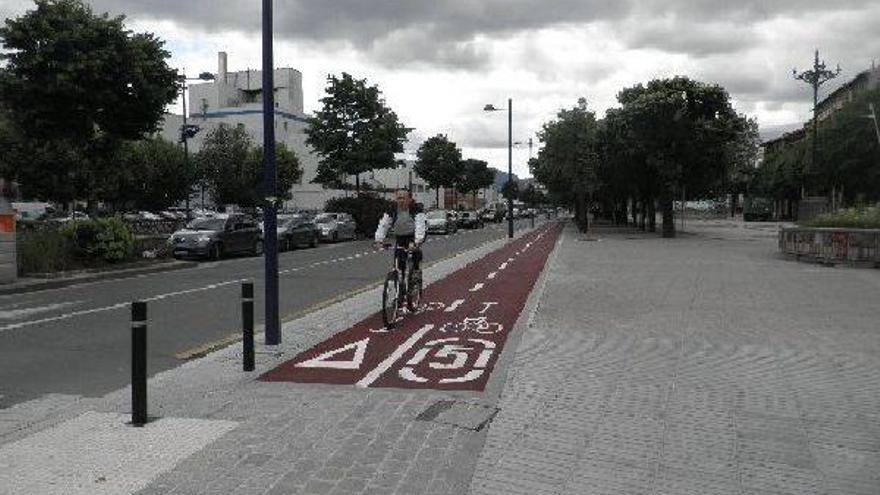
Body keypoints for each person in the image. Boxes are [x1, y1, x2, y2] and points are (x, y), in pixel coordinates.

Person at [375, 190, 427, 282]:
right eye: (399, 198)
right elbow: (384, 224)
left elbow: (420, 226)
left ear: (410, 199)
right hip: (400, 237)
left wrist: (417, 242)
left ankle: (416, 271)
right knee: (399, 261)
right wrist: (379, 240)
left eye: (403, 198)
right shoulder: (392, 210)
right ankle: (400, 284)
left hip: (413, 236)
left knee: (415, 253)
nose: (401, 201)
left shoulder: (416, 209)